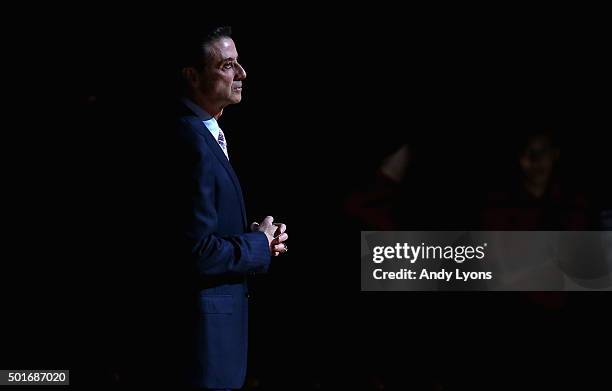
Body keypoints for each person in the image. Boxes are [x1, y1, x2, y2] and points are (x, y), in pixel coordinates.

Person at [114, 25, 289, 390]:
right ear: (192, 76)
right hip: (198, 351)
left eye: (238, 63)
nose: (242, 74)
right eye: (227, 65)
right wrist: (258, 246)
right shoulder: (188, 141)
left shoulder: (201, 134)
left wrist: (257, 240)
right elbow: (194, 251)